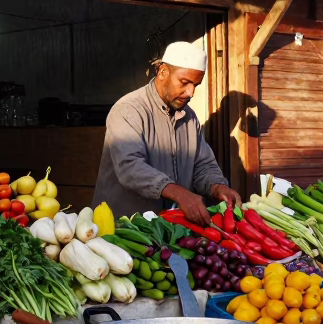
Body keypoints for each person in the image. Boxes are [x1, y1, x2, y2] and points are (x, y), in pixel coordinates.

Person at [93, 42, 241, 224]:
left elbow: (202, 164)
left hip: (168, 228)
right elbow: (129, 166)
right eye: (185, 82)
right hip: (124, 228)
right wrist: (179, 193)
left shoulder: (189, 117)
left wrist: (217, 186)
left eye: (196, 85)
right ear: (162, 72)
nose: (191, 92)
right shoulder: (129, 109)